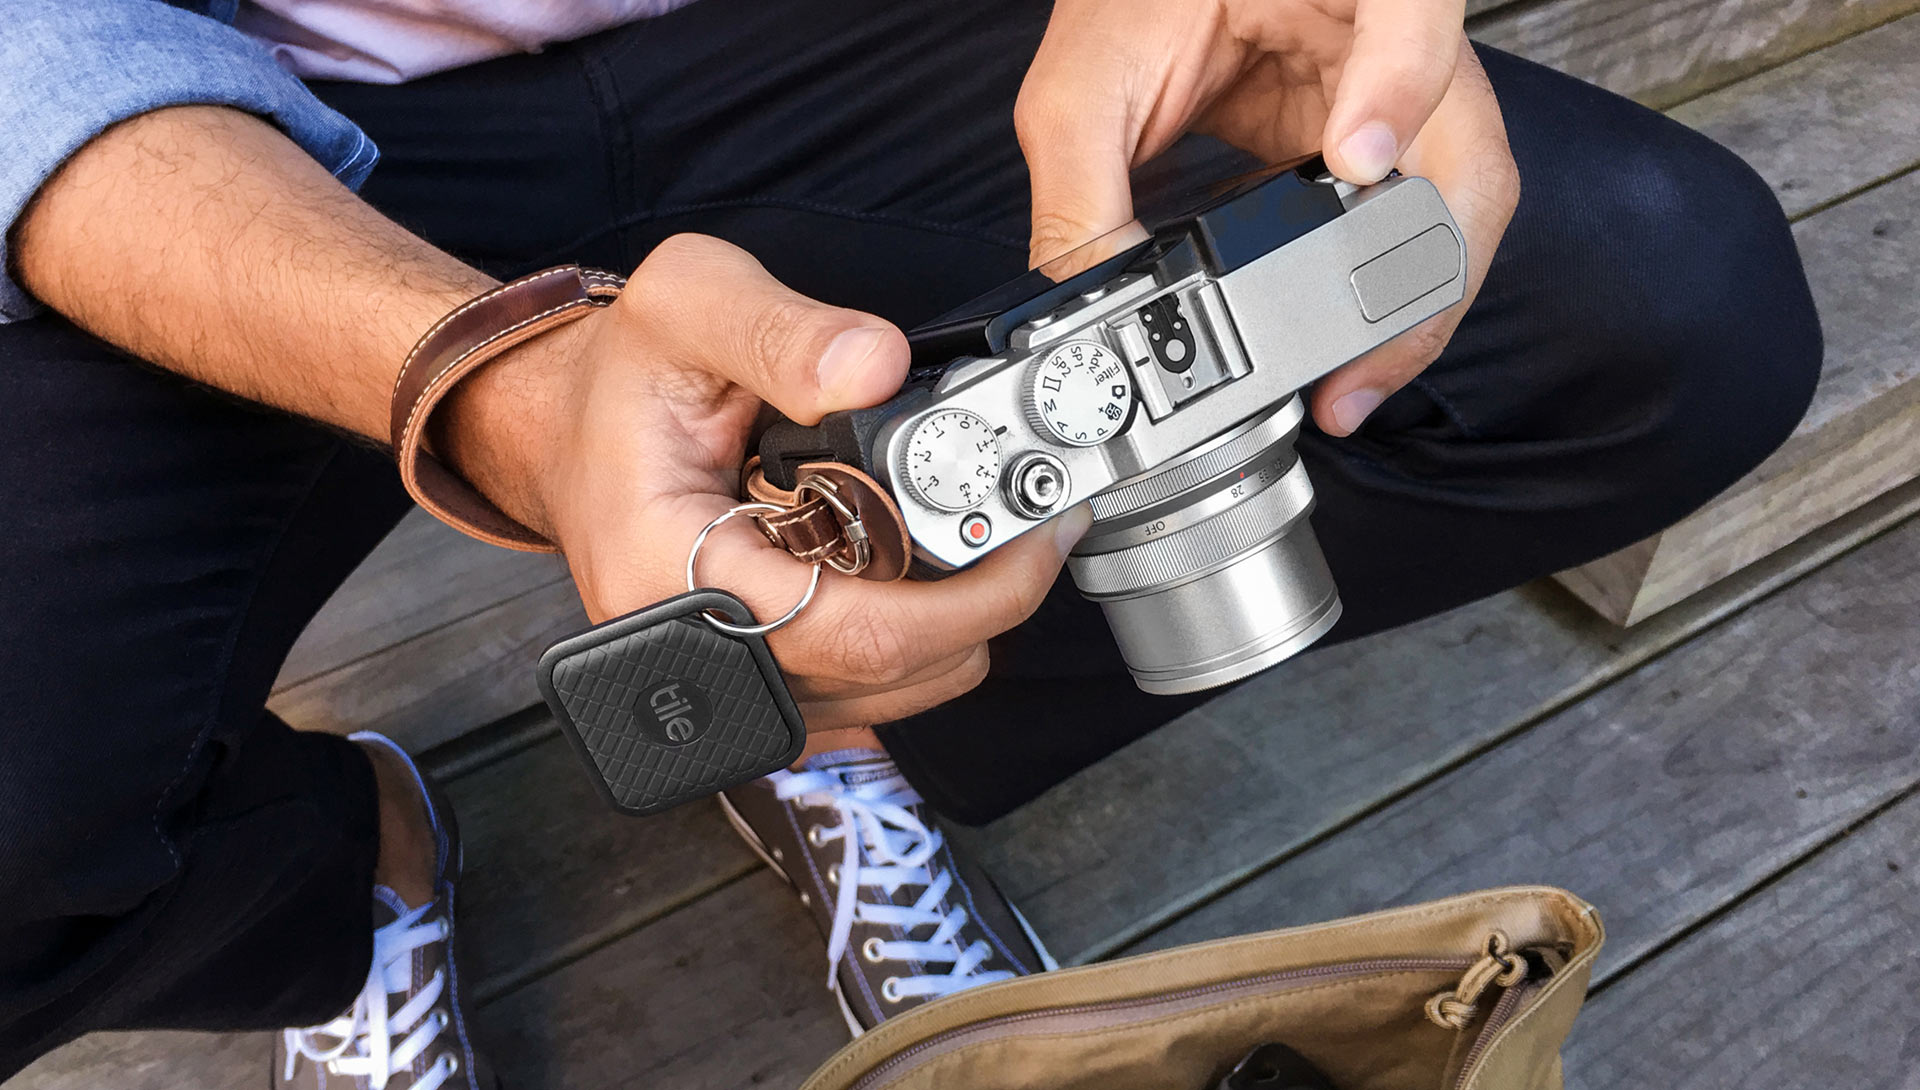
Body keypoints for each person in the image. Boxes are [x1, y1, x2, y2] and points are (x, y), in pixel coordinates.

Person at [0, 0, 1822, 1085]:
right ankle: (344, 882)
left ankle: (859, 712)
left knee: (1668, 312)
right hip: (216, 114)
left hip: (879, 36)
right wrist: (480, 376)